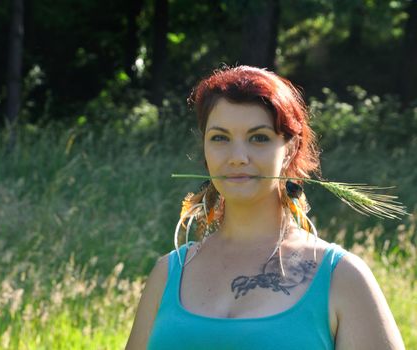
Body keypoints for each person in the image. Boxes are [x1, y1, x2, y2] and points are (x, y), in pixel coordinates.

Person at [125, 66, 405, 350]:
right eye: (220, 138)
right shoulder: (168, 273)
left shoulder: (342, 278)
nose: (237, 157)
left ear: (291, 149)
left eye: (258, 138)